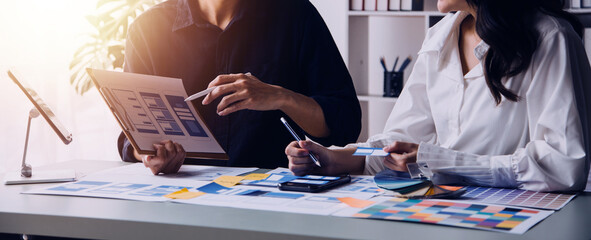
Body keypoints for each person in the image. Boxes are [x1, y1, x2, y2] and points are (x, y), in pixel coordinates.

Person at [286, 0, 591, 192]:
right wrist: (337, 158)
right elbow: (398, 144)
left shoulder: (552, 38)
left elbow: (564, 167)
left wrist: (444, 162)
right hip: (445, 211)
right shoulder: (439, 37)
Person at [118, 0, 361, 174]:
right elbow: (131, 139)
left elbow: (344, 125)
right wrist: (152, 157)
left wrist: (281, 97)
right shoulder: (147, 29)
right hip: (180, 193)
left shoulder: (296, 15)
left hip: (271, 195)